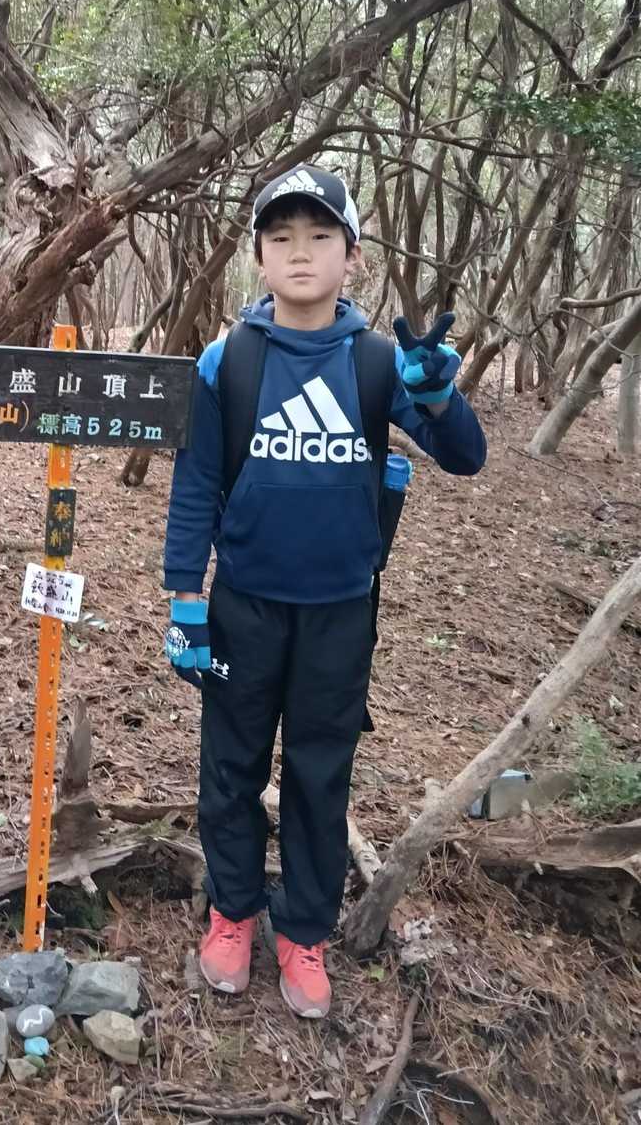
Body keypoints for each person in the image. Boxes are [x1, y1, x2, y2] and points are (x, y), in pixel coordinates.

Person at [162, 164, 486, 1019]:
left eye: (319, 236)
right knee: (230, 767)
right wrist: (184, 600)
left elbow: (465, 456)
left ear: (353, 256)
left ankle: (304, 929)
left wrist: (438, 395)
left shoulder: (379, 363)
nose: (299, 253)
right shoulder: (228, 360)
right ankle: (233, 911)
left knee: (319, 773)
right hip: (243, 606)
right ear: (259, 257)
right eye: (281, 237)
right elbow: (196, 484)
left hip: (341, 611)